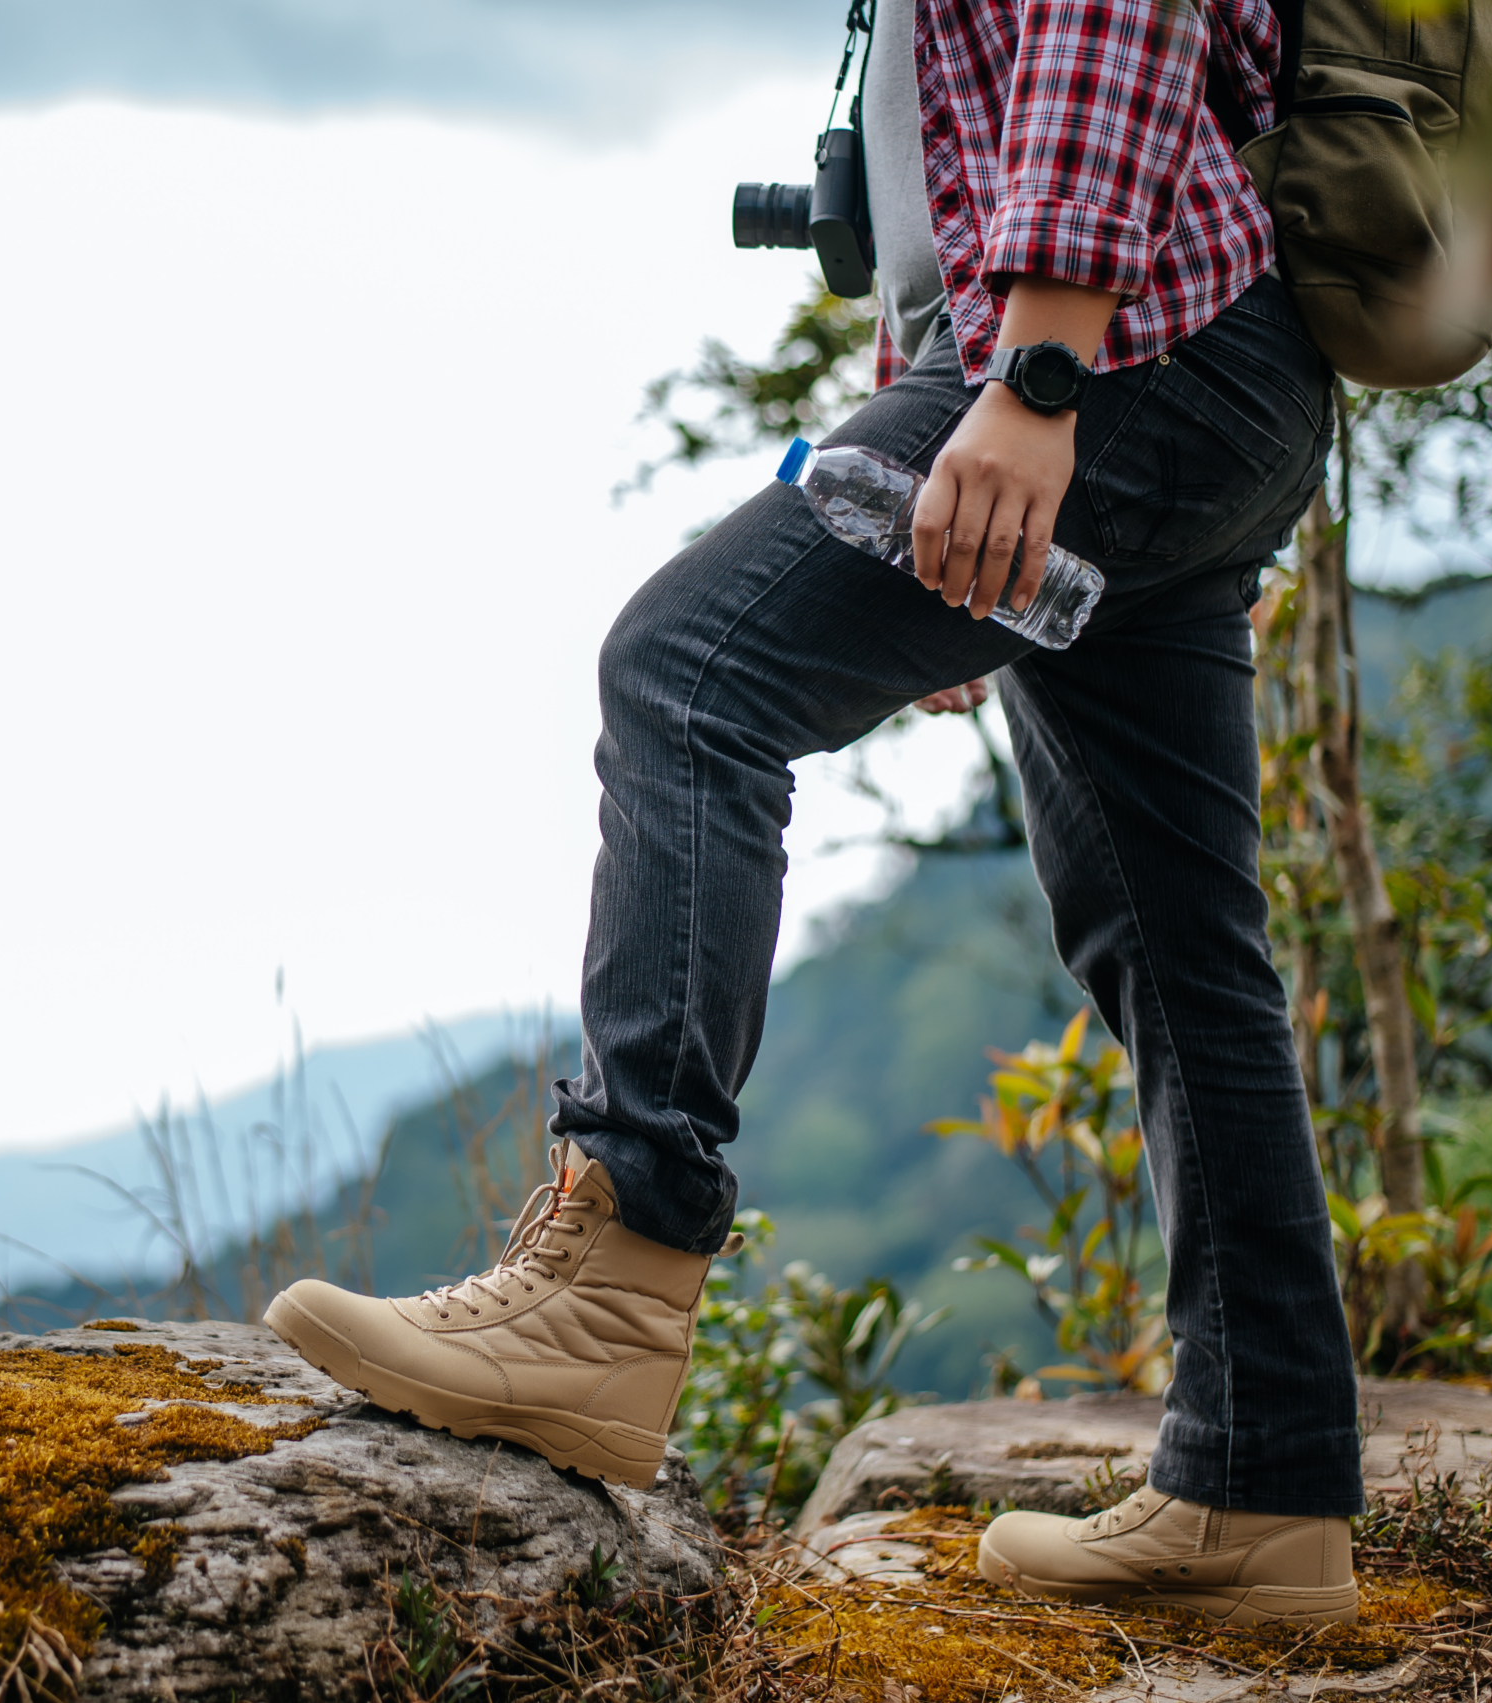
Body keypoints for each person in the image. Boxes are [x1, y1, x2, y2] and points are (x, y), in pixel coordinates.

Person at [267, 0, 1364, 1629]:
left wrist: (1033, 381)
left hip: (1129, 344)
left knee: (688, 673)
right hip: (1216, 361)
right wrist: (948, 412)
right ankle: (1264, 1485)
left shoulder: (1071, 352)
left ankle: (609, 1292)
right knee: (1175, 932)